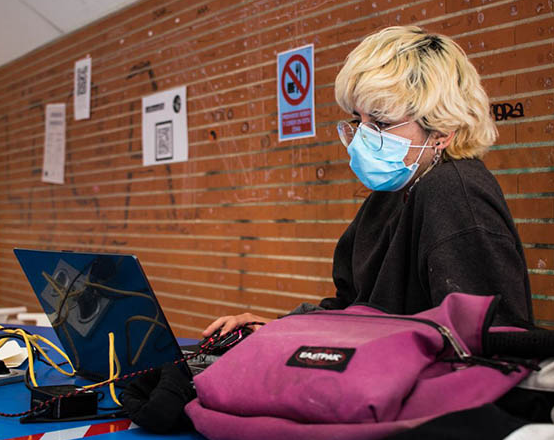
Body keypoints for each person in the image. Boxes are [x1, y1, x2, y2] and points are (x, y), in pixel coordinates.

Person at [203, 25, 533, 339]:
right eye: (358, 121)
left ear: (443, 131)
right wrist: (277, 330)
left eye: (381, 123)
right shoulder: (392, 193)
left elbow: (485, 345)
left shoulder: (455, 195)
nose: (362, 137)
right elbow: (353, 310)